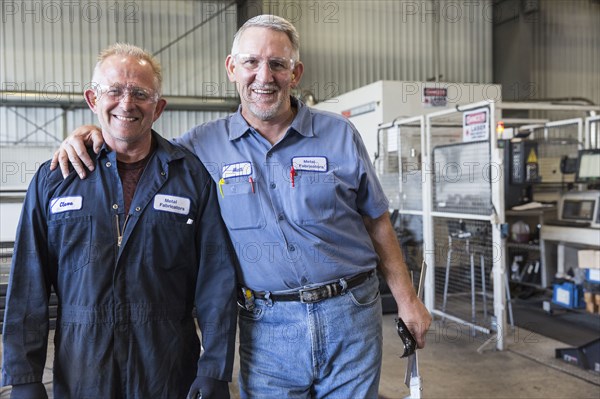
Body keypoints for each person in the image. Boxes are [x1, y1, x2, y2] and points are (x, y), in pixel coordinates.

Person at [52, 15, 432, 398]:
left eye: (278, 64)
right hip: (267, 327)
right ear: (232, 69)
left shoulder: (339, 134)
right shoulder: (199, 146)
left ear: (295, 72)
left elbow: (377, 219)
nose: (264, 76)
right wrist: (90, 134)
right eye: (251, 62)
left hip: (351, 313)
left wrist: (407, 300)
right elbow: (135, 138)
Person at [2, 43, 238, 399]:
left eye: (140, 93)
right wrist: (24, 377)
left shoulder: (191, 178)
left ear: (158, 108)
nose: (126, 103)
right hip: (82, 370)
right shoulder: (55, 179)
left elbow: (216, 284)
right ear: (92, 99)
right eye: (114, 90)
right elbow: (27, 284)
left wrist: (216, 370)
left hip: (168, 370)